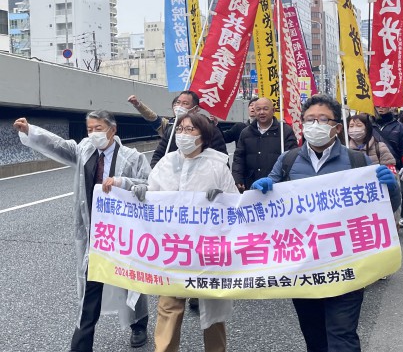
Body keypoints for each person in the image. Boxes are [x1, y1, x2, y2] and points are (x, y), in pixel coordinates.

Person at [250, 94, 400, 352]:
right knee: (314, 335)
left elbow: (387, 206)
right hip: (303, 267)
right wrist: (260, 190)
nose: (315, 125)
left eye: (322, 119)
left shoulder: (356, 161)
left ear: (336, 127)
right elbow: (267, 199)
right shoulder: (288, 161)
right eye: (309, 120)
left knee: (342, 335)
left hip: (346, 263)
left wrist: (391, 188)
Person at [13, 110, 151, 351]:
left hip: (124, 232)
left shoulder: (132, 158)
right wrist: (31, 131)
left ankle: (139, 323)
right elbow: (58, 145)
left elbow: (149, 186)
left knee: (131, 280)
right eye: (89, 129)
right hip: (93, 233)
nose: (93, 134)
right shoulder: (85, 150)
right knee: (90, 286)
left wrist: (122, 183)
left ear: (112, 129)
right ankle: (81, 345)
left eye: (98, 128)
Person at [131, 112, 238, 352]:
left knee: (213, 309)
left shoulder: (217, 165)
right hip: (173, 247)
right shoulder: (167, 163)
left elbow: (234, 204)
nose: (183, 134)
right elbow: (153, 193)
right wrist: (142, 192)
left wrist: (221, 198)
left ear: (203, 135)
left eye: (190, 130)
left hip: (207, 249)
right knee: (169, 305)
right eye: (180, 129)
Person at [232, 97, 298, 192]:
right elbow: (239, 158)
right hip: (251, 186)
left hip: (277, 186)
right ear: (254, 112)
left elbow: (292, 158)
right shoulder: (246, 133)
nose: (261, 112)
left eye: (265, 109)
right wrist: (237, 179)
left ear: (273, 111)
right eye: (258, 109)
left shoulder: (285, 131)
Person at [149, 90, 228, 168]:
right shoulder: (172, 129)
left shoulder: (209, 129)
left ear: (196, 108)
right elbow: (158, 155)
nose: (179, 106)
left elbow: (222, 159)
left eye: (185, 103)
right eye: (178, 102)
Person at [372, 106, 403, 180]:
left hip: (392, 168)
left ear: (389, 106)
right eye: (378, 105)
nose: (381, 107)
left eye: (384, 105)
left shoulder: (400, 127)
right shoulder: (368, 125)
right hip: (371, 169)